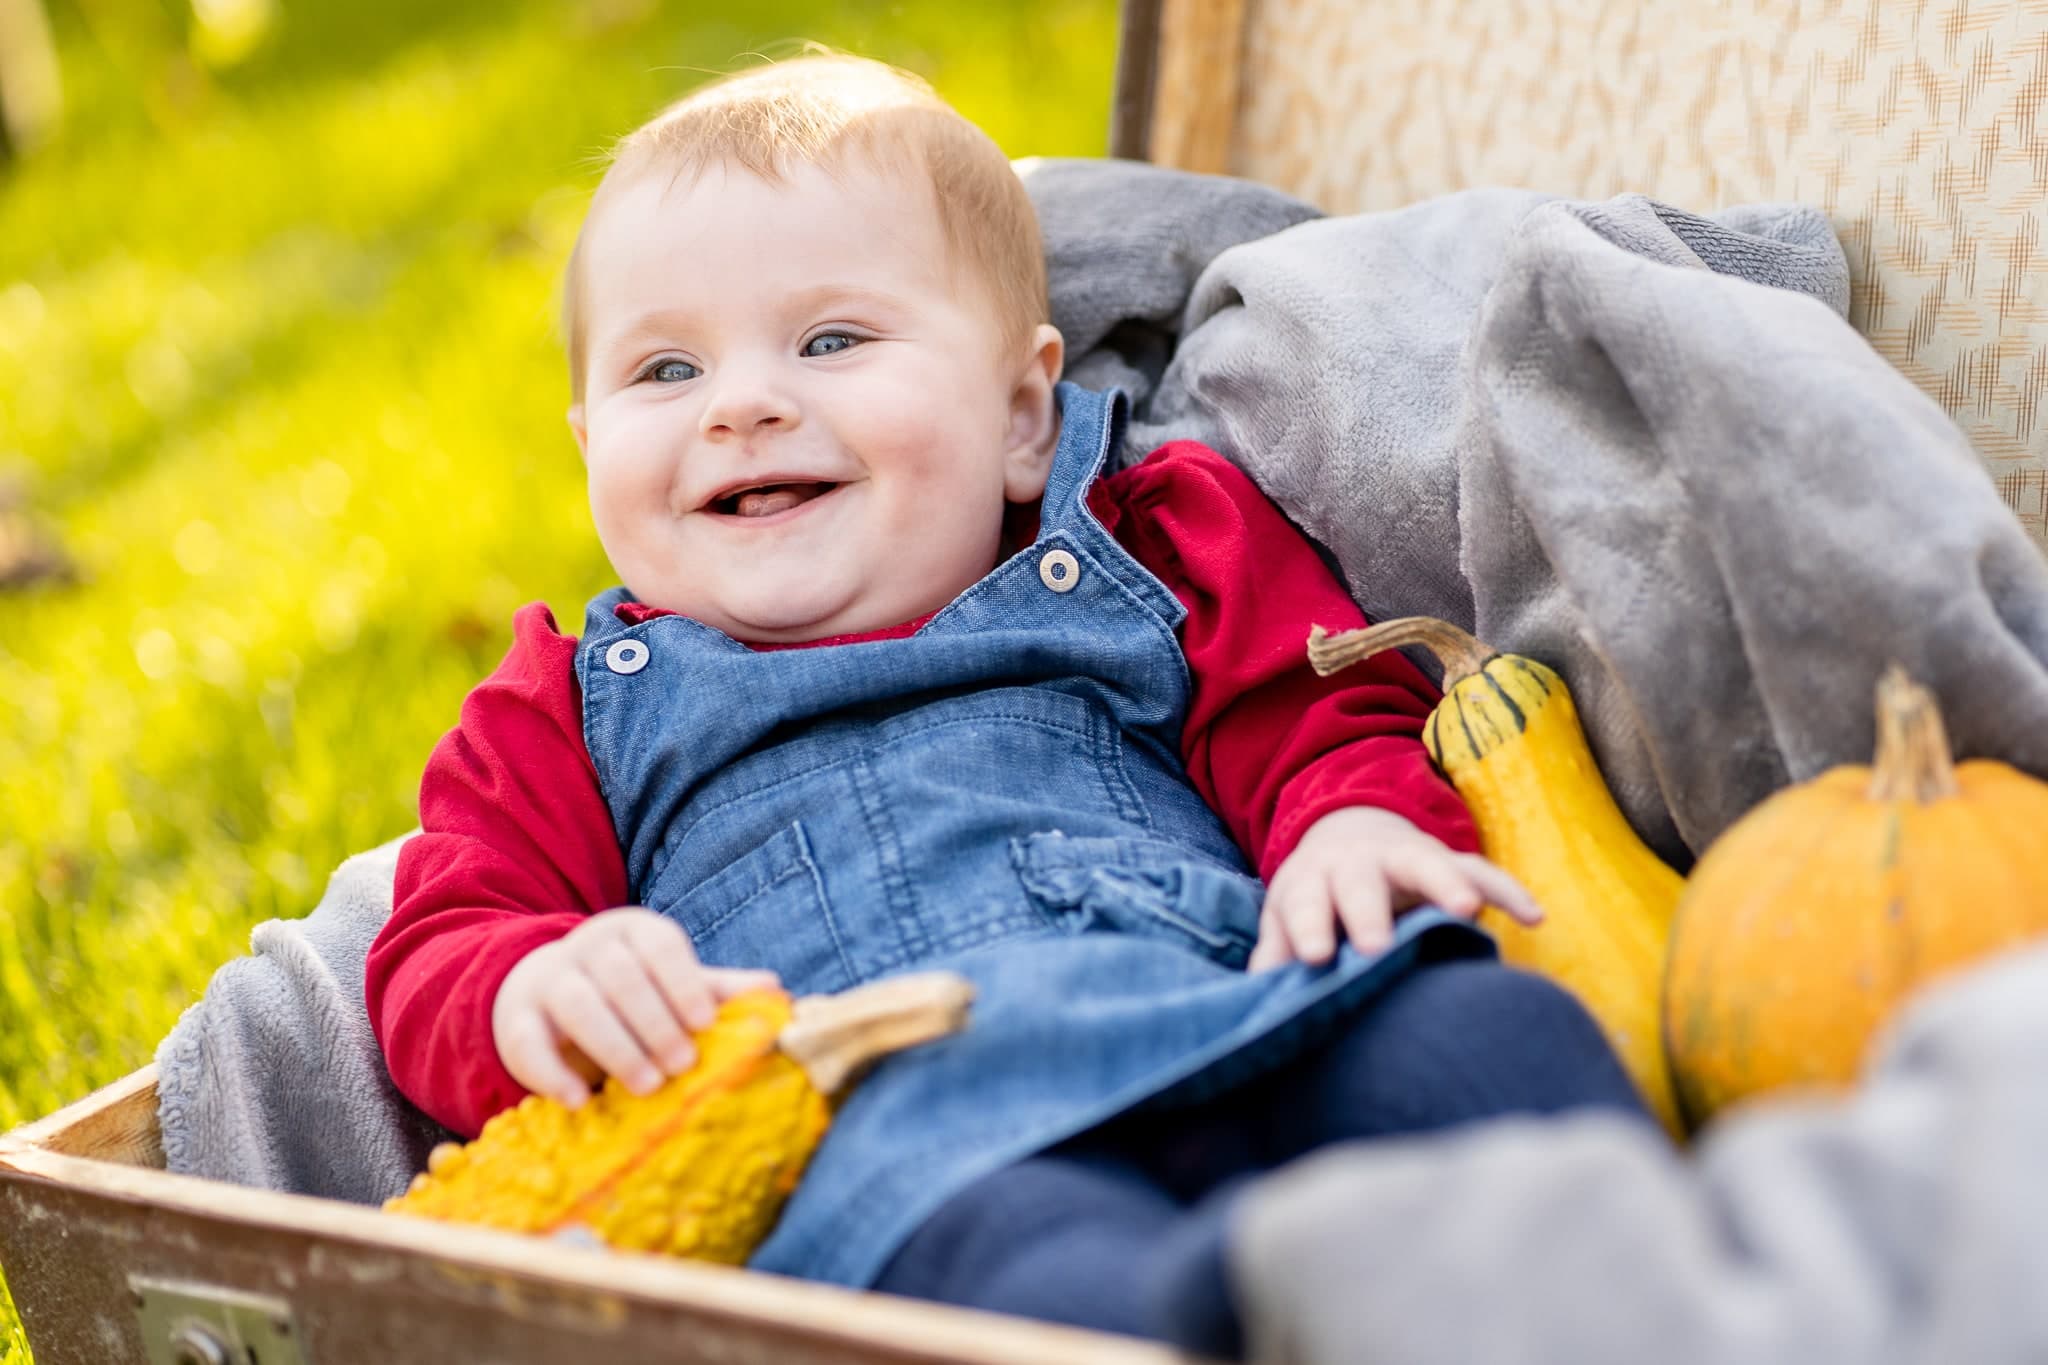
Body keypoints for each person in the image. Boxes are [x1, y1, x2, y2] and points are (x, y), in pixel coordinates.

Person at [364, 52, 1651, 1356]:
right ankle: (1254, 1312)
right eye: (663, 372)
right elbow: (435, 945)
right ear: (588, 445)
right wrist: (536, 980)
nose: (742, 404)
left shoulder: (1147, 539)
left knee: (1489, 1037)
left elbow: (1316, 703)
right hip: (914, 1145)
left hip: (1242, 1011)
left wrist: (1348, 824)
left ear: (1024, 413)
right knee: (1037, 1276)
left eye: (832, 340)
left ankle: (1645, 1301)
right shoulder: (561, 710)